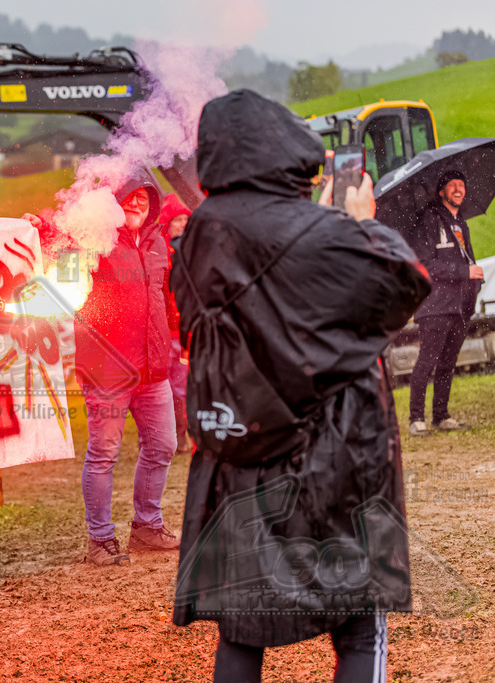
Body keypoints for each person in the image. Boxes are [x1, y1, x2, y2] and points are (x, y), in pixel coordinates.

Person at [171, 89, 431, 682]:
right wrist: (357, 223)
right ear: (283, 149)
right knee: (360, 619)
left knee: (239, 626)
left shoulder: (195, 237)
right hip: (331, 453)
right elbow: (403, 284)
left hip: (237, 450)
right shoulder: (323, 231)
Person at [26, 169, 179, 567]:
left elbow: (165, 298)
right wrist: (39, 228)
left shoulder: (159, 244)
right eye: (130, 196)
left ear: (154, 205)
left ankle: (147, 526)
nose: (137, 203)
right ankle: (100, 539)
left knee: (163, 446)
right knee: (104, 455)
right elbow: (61, 244)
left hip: (153, 370)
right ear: (113, 201)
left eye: (145, 198)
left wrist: (176, 342)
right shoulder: (95, 238)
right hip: (107, 370)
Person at [404, 170, 484, 435]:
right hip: (436, 305)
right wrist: (464, 272)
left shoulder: (461, 223)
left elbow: (465, 260)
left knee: (448, 363)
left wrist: (473, 278)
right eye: (453, 185)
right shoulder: (428, 220)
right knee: (427, 361)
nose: (459, 189)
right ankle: (416, 419)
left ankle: (441, 416)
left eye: (462, 185)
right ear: (442, 191)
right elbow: (426, 264)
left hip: (460, 305)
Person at [158, 194, 193, 455]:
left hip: (181, 331)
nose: (181, 224)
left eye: (184, 219)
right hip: (160, 330)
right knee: (158, 388)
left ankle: (180, 436)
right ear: (167, 223)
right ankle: (157, 437)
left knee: (180, 388)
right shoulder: (157, 250)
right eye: (177, 219)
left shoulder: (190, 251)